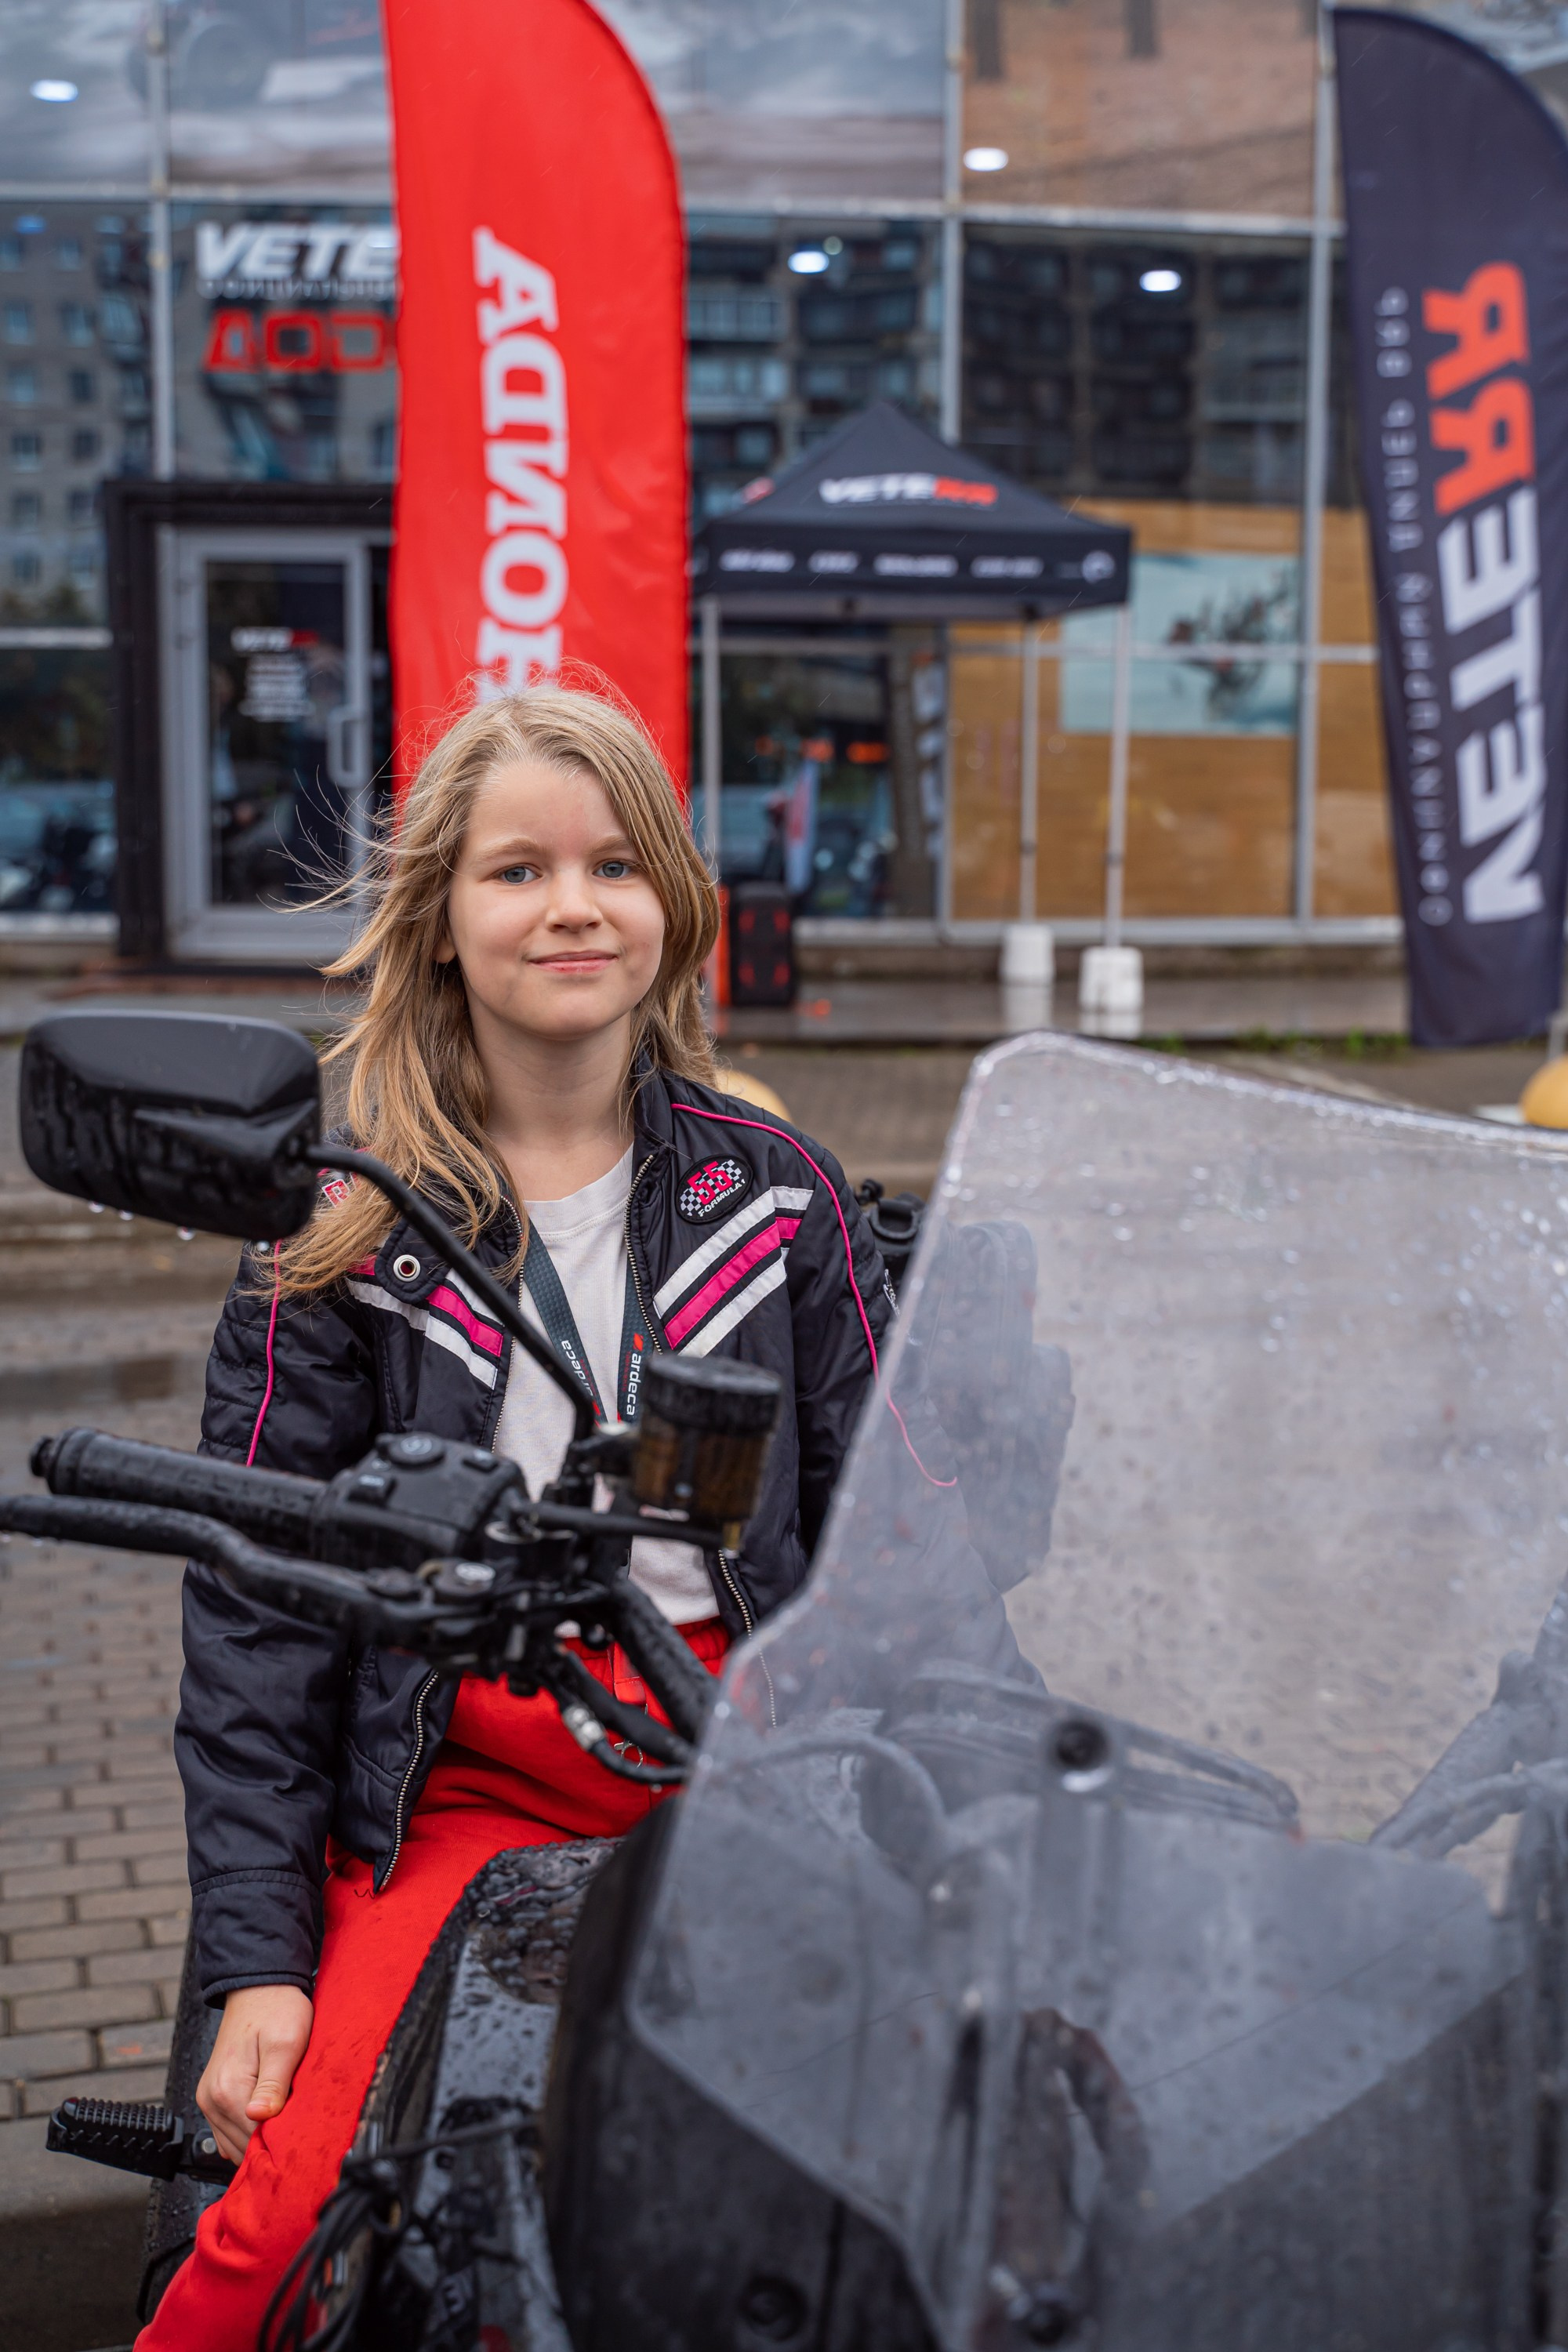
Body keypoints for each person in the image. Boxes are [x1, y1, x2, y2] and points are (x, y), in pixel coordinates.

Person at [140, 684, 895, 2347]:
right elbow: (257, 1628)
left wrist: (976, 1816)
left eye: (616, 865)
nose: (571, 905)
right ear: (438, 922)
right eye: (516, 871)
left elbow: (893, 1536)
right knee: (296, 2213)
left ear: (674, 905)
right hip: (460, 1787)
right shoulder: (342, 1232)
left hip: (741, 1772)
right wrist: (256, 1965)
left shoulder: (778, 1199)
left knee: (921, 2173)